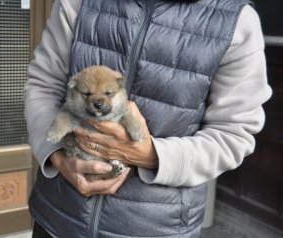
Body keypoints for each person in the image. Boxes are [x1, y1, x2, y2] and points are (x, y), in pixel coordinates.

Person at [24, 0, 272, 237]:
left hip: (158, 227)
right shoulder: (77, 2)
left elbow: (234, 133)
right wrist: (57, 154)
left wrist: (151, 155)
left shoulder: (236, 20)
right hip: (59, 218)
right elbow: (44, 85)